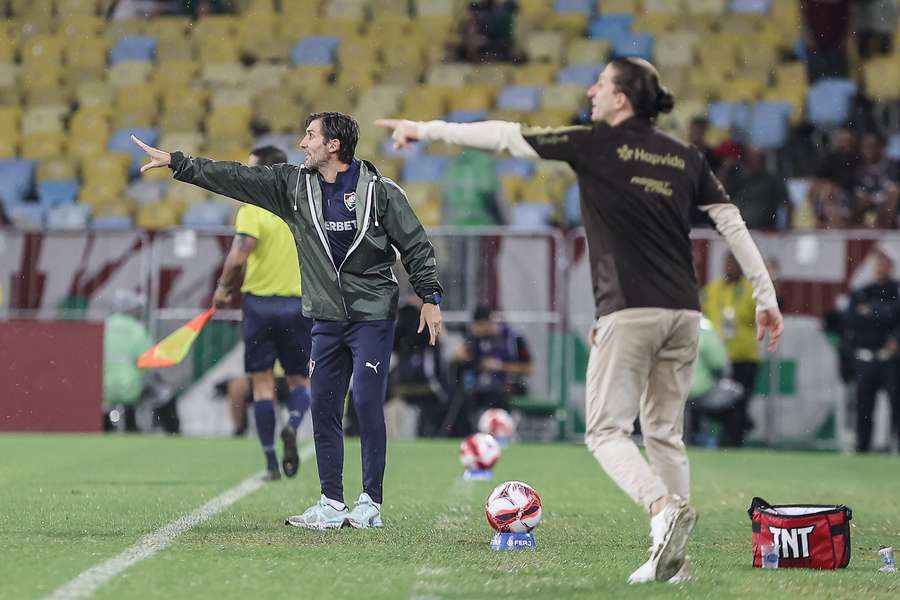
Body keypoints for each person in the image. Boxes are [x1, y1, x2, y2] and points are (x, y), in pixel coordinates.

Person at [377, 56, 782, 583]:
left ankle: (662, 508)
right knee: (664, 434)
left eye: (601, 83)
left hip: (629, 310)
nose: (591, 90)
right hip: (684, 312)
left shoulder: (596, 142)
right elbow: (731, 221)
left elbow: (505, 136)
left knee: (606, 431)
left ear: (622, 98)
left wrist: (424, 128)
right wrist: (764, 294)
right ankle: (674, 559)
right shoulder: (684, 156)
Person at [133, 111, 444, 530]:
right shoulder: (293, 186)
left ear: (334, 145)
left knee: (368, 403)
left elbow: (415, 244)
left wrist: (430, 297)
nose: (303, 142)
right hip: (324, 318)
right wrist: (178, 163)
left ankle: (370, 502)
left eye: (311, 135)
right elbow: (237, 177)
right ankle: (331, 503)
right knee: (324, 407)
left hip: (372, 315)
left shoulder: (381, 192)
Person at [212, 145, 312, 481]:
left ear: (265, 171)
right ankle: (294, 425)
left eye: (251, 169)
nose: (246, 175)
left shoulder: (252, 208)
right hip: (298, 304)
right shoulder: (299, 206)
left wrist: (224, 287)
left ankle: (270, 463)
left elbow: (240, 255)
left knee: (262, 385)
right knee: (300, 380)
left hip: (260, 305)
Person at [844, 247, 900, 452]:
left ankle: (896, 447)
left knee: (896, 406)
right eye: (877, 263)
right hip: (866, 358)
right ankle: (863, 448)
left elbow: (893, 316)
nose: (880, 267)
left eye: (884, 263)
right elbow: (851, 319)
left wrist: (871, 311)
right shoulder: (863, 291)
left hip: (890, 359)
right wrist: (882, 314)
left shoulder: (895, 291)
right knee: (864, 408)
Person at [702, 253, 761, 448]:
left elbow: (758, 316)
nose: (730, 267)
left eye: (734, 263)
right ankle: (742, 426)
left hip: (743, 357)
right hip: (717, 359)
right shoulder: (713, 289)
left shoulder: (750, 289)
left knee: (740, 402)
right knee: (716, 402)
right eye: (727, 263)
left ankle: (733, 443)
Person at [450, 304, 532, 433]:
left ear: (490, 322)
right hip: (478, 388)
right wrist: (458, 357)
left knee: (495, 397)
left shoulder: (513, 339)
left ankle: (500, 432)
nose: (479, 329)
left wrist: (500, 366)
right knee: (460, 399)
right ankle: (465, 435)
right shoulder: (474, 339)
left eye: (482, 325)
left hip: (508, 387)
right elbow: (458, 359)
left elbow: (530, 369)